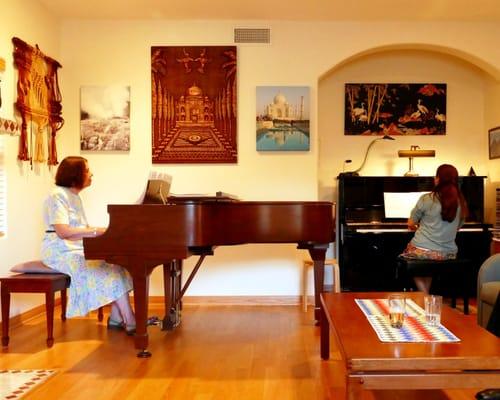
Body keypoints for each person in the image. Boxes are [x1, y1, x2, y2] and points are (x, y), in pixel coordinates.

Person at [41, 156, 136, 334]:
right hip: (58, 250)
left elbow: (80, 230)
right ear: (75, 174)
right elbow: (63, 232)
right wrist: (97, 231)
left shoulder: (75, 197)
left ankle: (116, 318)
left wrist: (99, 232)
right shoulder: (57, 195)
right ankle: (130, 320)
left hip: (75, 247)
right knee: (105, 268)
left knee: (119, 266)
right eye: (87, 170)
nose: (91, 174)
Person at [400, 164, 468, 294]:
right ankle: (427, 297)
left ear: (437, 179)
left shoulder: (427, 198)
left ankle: (425, 296)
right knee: (426, 265)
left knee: (415, 259)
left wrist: (417, 227)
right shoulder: (461, 202)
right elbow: (458, 227)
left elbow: (411, 223)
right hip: (448, 253)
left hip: (423, 251)